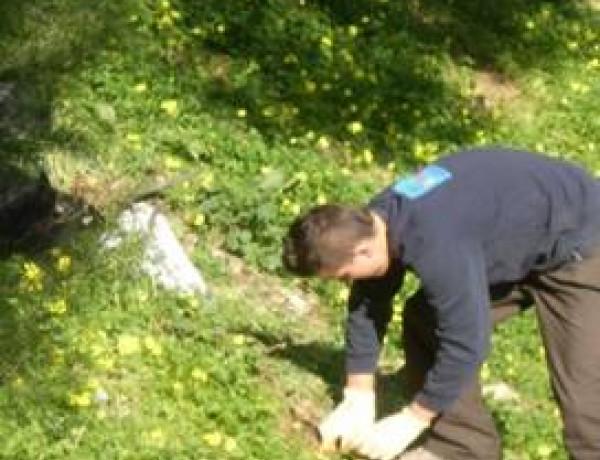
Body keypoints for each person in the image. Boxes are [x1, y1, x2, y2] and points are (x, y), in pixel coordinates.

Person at [281, 147, 600, 460]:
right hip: (515, 233)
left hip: (582, 240)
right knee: (427, 319)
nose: (349, 284)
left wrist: (412, 419)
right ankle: (461, 446)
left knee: (584, 393)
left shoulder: (435, 241)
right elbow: (369, 302)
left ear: (363, 252)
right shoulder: (375, 221)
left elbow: (466, 343)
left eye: (345, 276)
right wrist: (358, 394)